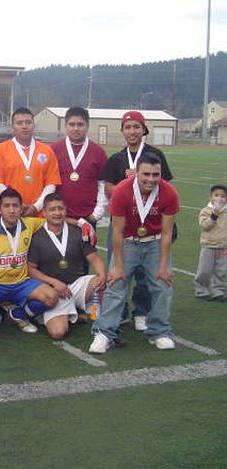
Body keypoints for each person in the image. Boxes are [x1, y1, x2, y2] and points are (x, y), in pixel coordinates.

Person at [89, 154, 179, 353]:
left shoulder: (169, 192)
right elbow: (117, 231)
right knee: (115, 284)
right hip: (128, 242)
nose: (151, 179)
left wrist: (164, 266)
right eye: (145, 174)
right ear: (136, 172)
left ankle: (159, 331)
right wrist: (119, 265)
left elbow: (166, 233)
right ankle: (104, 332)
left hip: (154, 242)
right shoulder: (122, 190)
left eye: (156, 175)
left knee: (162, 286)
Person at [102, 110, 174, 332]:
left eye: (136, 127)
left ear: (144, 129)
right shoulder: (116, 159)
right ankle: (120, 311)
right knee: (118, 269)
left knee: (148, 274)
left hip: (150, 223)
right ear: (122, 131)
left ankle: (141, 311)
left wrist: (143, 181)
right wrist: (129, 184)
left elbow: (165, 187)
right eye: (128, 127)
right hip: (123, 224)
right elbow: (107, 191)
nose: (132, 131)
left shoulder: (155, 155)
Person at [0, 188, 58, 335]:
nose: (11, 210)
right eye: (7, 206)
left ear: (21, 208)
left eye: (15, 206)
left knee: (52, 297)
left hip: (21, 282)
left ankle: (19, 314)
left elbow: (55, 220)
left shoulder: (30, 224)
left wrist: (80, 223)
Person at [27, 193, 106, 340]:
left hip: (76, 286)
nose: (57, 213)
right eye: (52, 209)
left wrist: (102, 275)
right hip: (54, 291)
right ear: (44, 212)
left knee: (99, 282)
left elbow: (94, 258)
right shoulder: (37, 237)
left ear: (65, 210)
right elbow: (30, 269)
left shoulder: (77, 231)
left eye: (60, 209)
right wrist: (53, 282)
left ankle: (95, 315)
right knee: (58, 333)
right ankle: (53, 313)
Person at [0, 107, 62, 217]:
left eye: (28, 122)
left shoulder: (47, 151)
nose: (24, 126)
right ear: (12, 127)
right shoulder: (0, 150)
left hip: (39, 215)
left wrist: (36, 207)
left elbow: (51, 184)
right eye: (19, 123)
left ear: (33, 125)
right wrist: (15, 205)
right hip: (11, 215)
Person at [50, 107, 108, 239]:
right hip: (58, 217)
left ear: (87, 126)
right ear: (65, 126)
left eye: (80, 124)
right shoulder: (53, 150)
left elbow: (102, 185)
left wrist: (96, 215)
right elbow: (48, 184)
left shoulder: (98, 152)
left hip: (88, 218)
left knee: (86, 258)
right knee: (57, 258)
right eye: (72, 124)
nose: (76, 128)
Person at [194, 184, 227, 301]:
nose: (219, 198)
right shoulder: (206, 211)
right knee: (204, 270)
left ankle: (218, 290)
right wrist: (214, 215)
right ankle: (201, 289)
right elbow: (205, 226)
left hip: (223, 246)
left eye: (223, 196)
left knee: (220, 270)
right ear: (211, 197)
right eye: (216, 195)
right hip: (208, 245)